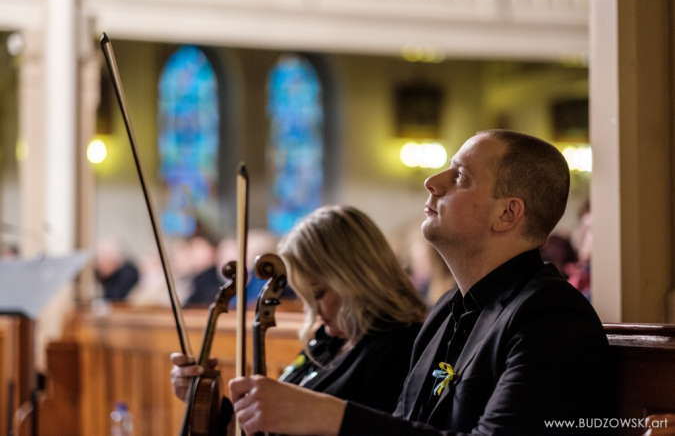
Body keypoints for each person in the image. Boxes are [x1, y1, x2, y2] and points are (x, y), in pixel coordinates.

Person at [229, 130, 612, 435]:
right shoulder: (447, 309)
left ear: (507, 213)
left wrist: (335, 417)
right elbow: (408, 421)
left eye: (460, 176)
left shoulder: (551, 318)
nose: (432, 181)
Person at [171, 205, 428, 415]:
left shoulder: (400, 345)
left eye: (318, 293)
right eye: (305, 296)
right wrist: (208, 403)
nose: (313, 312)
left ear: (356, 279)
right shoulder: (328, 340)